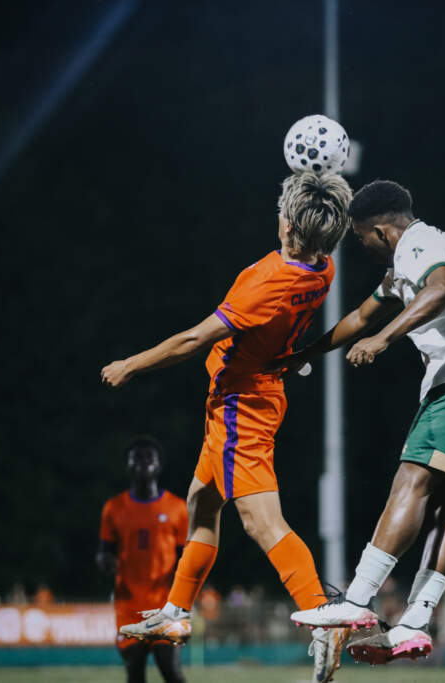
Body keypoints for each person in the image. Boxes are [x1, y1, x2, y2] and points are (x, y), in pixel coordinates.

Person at [102, 170, 354, 683]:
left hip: (242, 405)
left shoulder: (268, 284)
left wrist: (130, 364)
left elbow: (193, 339)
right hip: (244, 397)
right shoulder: (322, 267)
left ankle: (322, 616)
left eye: (282, 211)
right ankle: (176, 613)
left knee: (262, 523)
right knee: (202, 504)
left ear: (289, 226)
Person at [279, 180, 445, 664]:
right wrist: (306, 354)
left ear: (382, 231)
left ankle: (356, 600)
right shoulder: (403, 268)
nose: (361, 246)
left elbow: (441, 288)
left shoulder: (420, 243)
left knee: (410, 482)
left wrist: (384, 339)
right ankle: (416, 619)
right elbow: (360, 317)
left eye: (360, 238)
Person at [98, 436, 188, 683]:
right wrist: (105, 562)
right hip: (128, 603)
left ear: (159, 464)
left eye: (149, 457)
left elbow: (186, 556)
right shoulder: (114, 508)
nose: (143, 462)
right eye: (137, 458)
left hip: (167, 602)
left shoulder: (177, 507)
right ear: (127, 465)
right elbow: (104, 550)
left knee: (169, 667)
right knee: (134, 668)